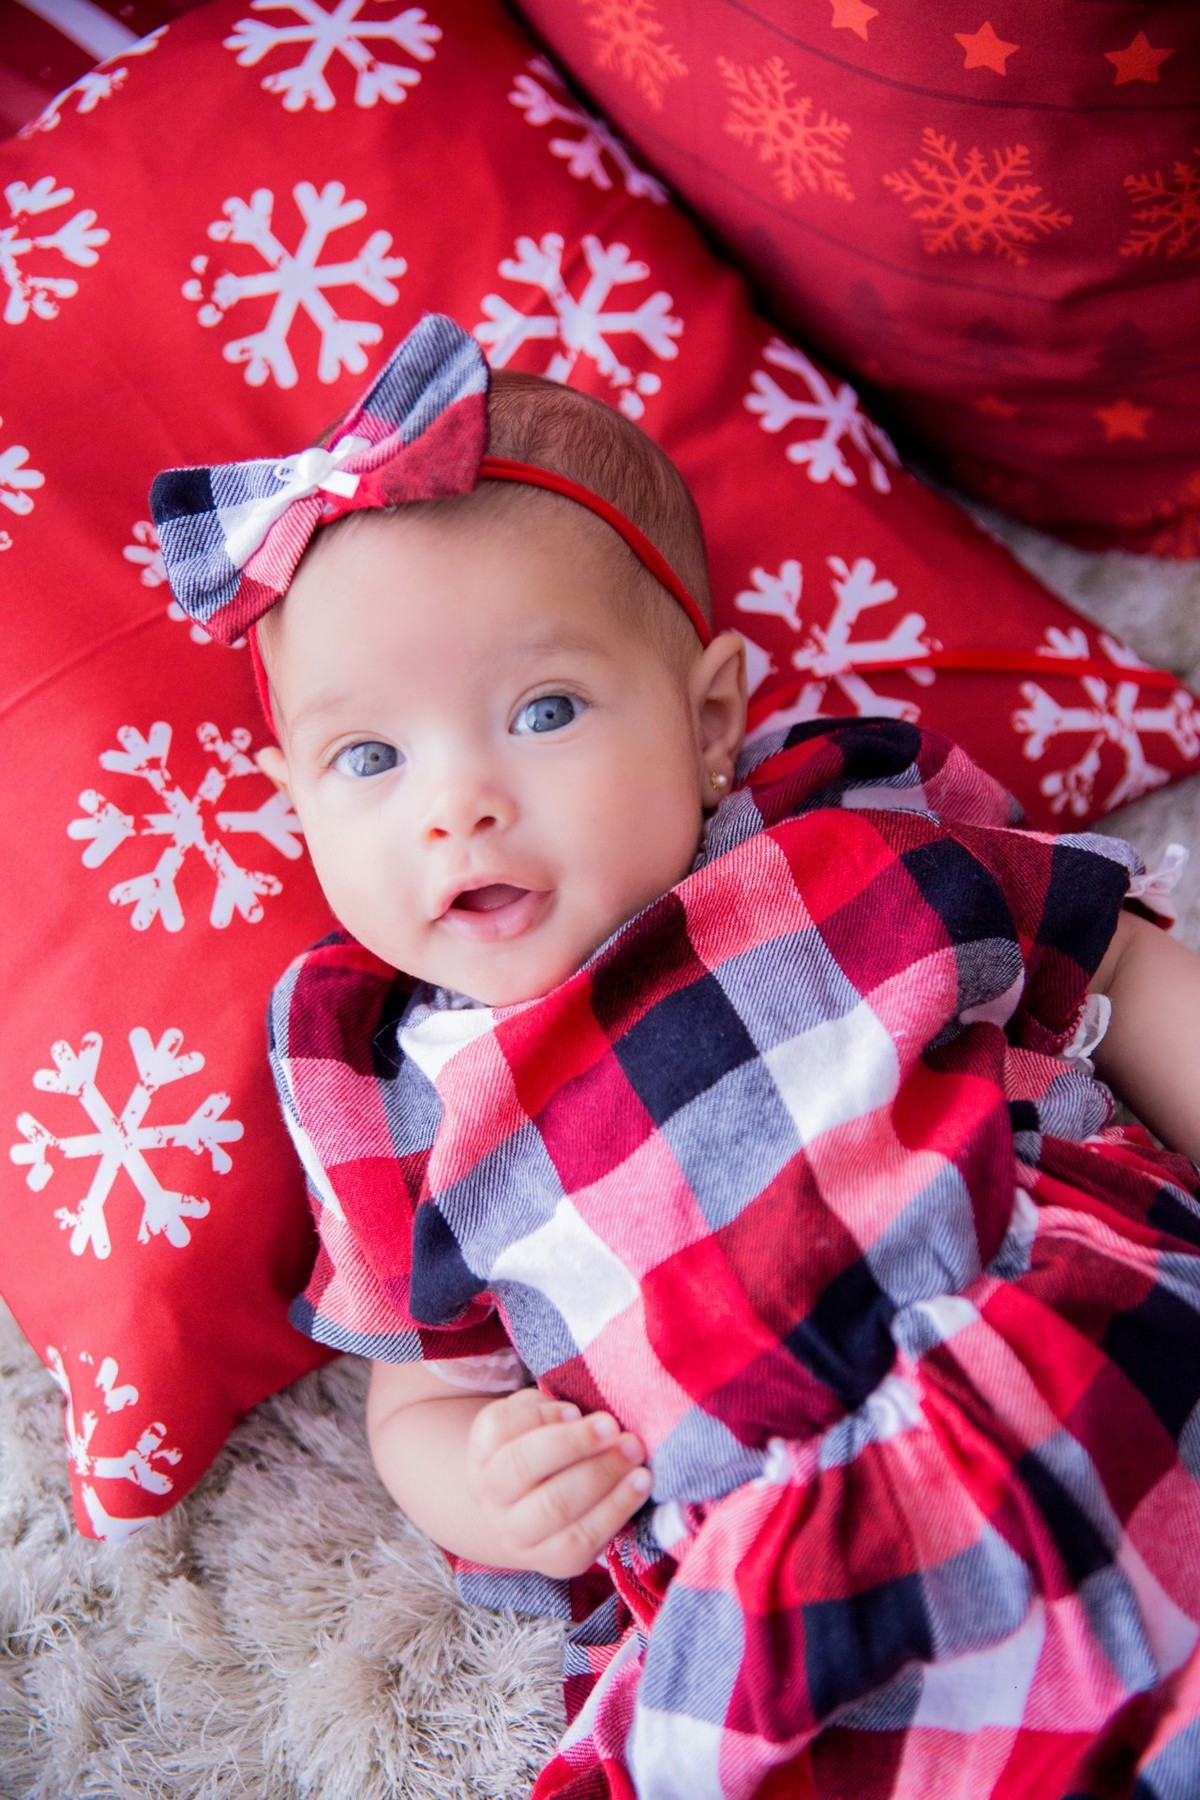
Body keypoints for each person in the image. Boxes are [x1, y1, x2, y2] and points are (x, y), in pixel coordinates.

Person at [152, 314, 1200, 1800]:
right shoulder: (386, 1084)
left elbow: (1115, 957)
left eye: (546, 711)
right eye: (370, 759)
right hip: (779, 1558)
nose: (459, 804)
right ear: (297, 808)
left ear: (710, 723)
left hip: (1068, 1327)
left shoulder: (832, 849)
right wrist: (485, 1483)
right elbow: (419, 1386)